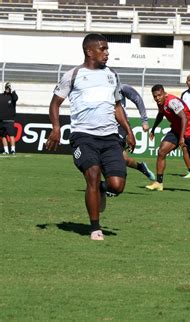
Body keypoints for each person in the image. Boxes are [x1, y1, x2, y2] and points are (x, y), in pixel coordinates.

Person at [45, 33, 136, 241]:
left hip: (110, 137)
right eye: (103, 49)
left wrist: (129, 131)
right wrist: (56, 128)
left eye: (107, 49)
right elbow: (55, 103)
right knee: (93, 174)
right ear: (89, 51)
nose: (107, 52)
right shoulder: (73, 75)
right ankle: (95, 228)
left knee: (117, 186)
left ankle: (103, 190)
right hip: (83, 137)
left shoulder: (112, 74)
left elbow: (117, 106)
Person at [145, 84, 190, 192]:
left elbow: (184, 118)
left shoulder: (172, 102)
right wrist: (153, 129)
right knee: (161, 151)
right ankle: (159, 183)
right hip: (176, 130)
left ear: (163, 92)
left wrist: (181, 139)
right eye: (155, 97)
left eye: (159, 95)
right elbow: (161, 114)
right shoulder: (160, 103)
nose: (157, 98)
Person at [119, 84, 155, 181]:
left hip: (120, 125)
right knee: (124, 159)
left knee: (116, 157)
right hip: (103, 126)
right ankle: (141, 167)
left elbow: (137, 99)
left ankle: (112, 186)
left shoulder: (121, 88)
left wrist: (144, 121)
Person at [0, 82, 18, 155]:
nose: (8, 89)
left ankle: (13, 150)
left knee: (11, 135)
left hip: (9, 120)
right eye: (7, 87)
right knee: (3, 136)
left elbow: (16, 98)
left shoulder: (12, 96)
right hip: (1, 120)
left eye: (9, 88)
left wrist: (13, 90)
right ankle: (6, 150)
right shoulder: (1, 96)